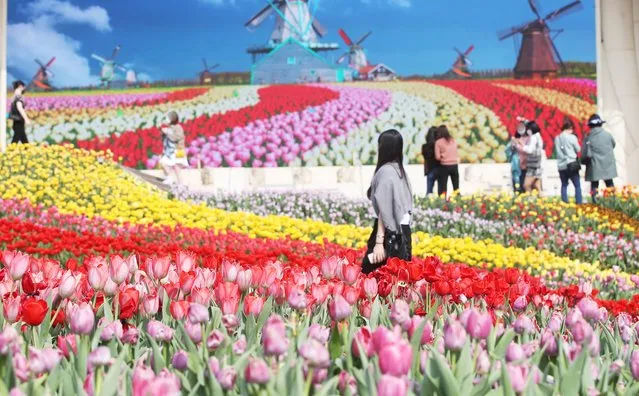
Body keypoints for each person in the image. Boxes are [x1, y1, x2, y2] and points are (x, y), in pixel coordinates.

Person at [361, 129, 413, 274]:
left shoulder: (385, 172)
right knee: (397, 280)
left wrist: (378, 242)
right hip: (403, 233)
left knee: (368, 276)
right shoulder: (400, 171)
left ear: (383, 148)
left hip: (389, 234)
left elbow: (385, 212)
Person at [583, 114, 617, 202]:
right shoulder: (607, 135)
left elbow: (585, 151)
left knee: (594, 184)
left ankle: (595, 202)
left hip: (594, 164)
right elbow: (613, 145)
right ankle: (613, 201)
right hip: (608, 163)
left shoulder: (588, 137)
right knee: (609, 182)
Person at [554, 119, 583, 204]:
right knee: (577, 185)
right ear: (570, 128)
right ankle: (578, 201)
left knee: (564, 185)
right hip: (571, 163)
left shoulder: (557, 138)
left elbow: (558, 151)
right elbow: (578, 149)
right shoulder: (572, 137)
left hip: (561, 165)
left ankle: (564, 202)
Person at [160, 111, 188, 185]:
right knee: (164, 163)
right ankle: (170, 179)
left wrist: (167, 133)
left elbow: (177, 138)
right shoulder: (170, 127)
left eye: (168, 118)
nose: (166, 119)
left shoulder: (178, 127)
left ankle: (180, 184)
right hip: (170, 151)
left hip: (177, 150)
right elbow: (165, 140)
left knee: (176, 168)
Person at [517, 121, 544, 193]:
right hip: (539, 164)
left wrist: (522, 145)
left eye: (528, 129)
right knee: (537, 186)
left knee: (526, 185)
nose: (527, 131)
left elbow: (530, 150)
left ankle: (530, 201)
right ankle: (541, 201)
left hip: (533, 165)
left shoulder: (534, 137)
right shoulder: (538, 136)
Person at [434, 125, 459, 196]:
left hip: (444, 166)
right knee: (456, 187)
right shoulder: (453, 140)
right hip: (454, 165)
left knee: (443, 188)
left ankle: (443, 204)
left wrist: (443, 156)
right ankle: (458, 202)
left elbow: (437, 157)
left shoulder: (438, 142)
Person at [505, 124, 525, 193]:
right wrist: (512, 145)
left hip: (524, 164)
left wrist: (520, 144)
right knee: (515, 176)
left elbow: (527, 150)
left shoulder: (524, 140)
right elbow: (507, 151)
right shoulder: (512, 142)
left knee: (523, 179)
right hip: (515, 162)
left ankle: (521, 189)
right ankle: (517, 189)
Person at [421, 126, 439, 195]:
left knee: (429, 192)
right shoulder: (439, 145)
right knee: (442, 192)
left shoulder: (425, 146)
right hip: (439, 169)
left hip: (429, 170)